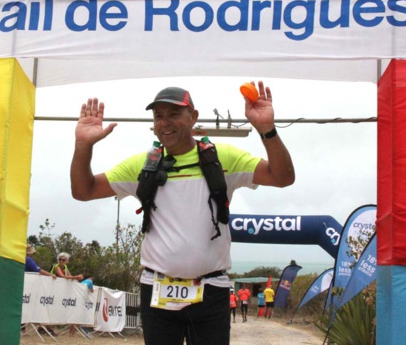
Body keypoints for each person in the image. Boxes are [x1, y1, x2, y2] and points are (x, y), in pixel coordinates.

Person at [70, 82, 295, 345]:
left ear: (194, 117)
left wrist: (267, 130)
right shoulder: (142, 165)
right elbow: (83, 191)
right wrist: (83, 145)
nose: (165, 122)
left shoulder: (222, 157)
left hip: (212, 289)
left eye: (174, 113)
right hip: (157, 289)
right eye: (158, 116)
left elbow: (282, 177)